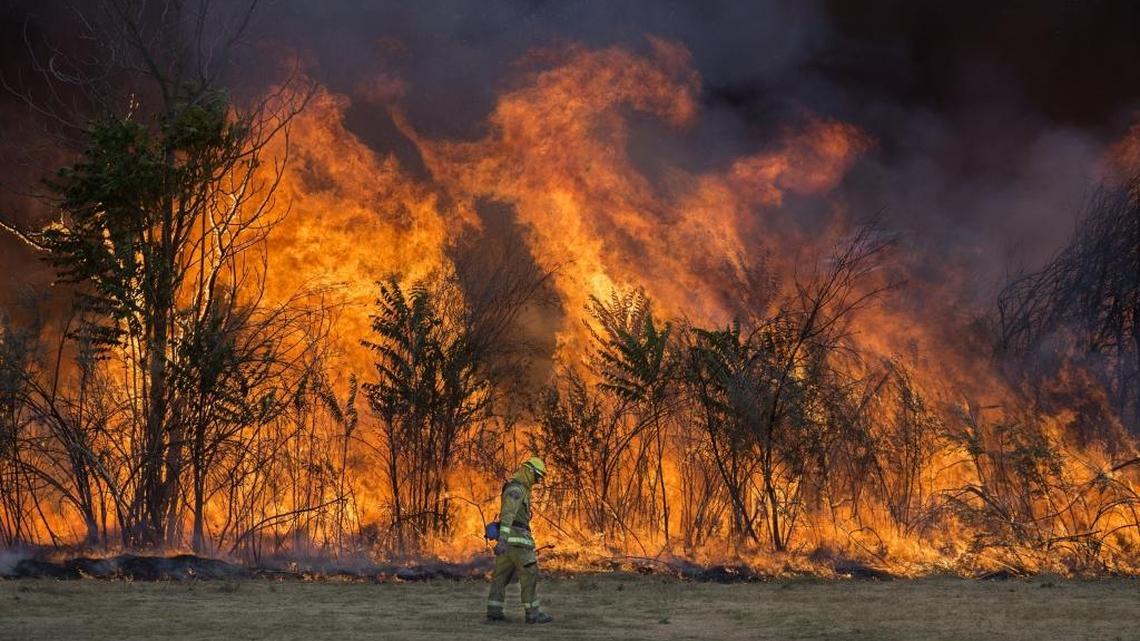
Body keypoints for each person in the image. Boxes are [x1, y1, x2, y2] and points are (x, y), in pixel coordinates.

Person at [486, 456, 554, 624]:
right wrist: (502, 539)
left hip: (508, 544)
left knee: (500, 577)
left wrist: (503, 540)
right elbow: (508, 514)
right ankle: (533, 614)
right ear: (529, 471)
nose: (537, 481)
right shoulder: (516, 490)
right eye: (537, 476)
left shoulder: (519, 488)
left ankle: (494, 611)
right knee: (529, 574)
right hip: (517, 543)